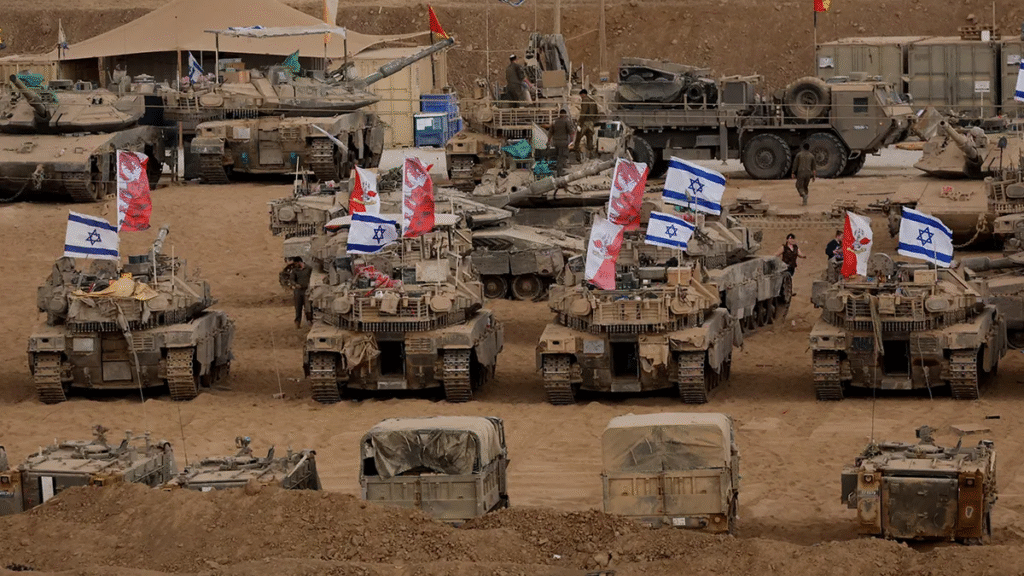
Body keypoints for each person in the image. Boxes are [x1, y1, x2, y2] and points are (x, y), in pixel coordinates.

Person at [281, 256, 314, 328]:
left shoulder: (309, 268)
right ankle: (297, 322)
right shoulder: (294, 270)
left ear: (299, 262)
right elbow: (292, 279)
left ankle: (310, 321)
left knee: (308, 307)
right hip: (298, 291)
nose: (294, 265)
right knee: (298, 307)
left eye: (295, 263)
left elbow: (313, 278)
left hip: (307, 291)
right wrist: (295, 284)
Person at [571, 88, 599, 161]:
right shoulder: (593, 101)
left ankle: (577, 157)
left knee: (578, 139)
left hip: (584, 123)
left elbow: (583, 113)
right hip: (591, 123)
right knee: (590, 139)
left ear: (582, 94)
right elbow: (596, 113)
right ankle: (591, 156)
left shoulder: (585, 100)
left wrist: (579, 123)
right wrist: (592, 120)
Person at [548, 109, 574, 177]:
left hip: (555, 142)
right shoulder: (566, 121)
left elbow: (550, 132)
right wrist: (572, 141)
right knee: (562, 157)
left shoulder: (554, 121)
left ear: (560, 114)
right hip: (563, 142)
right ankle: (560, 172)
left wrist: (548, 141)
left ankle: (558, 170)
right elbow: (571, 132)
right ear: (565, 114)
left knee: (557, 157)